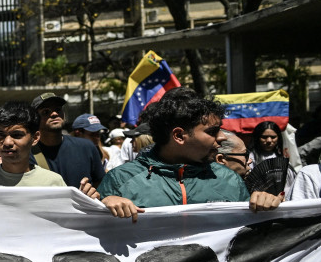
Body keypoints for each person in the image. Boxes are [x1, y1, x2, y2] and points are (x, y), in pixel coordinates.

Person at [99, 88, 281, 227]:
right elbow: (92, 240)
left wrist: (266, 209)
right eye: (212, 131)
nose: (222, 137)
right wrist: (102, 206)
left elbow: (251, 239)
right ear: (179, 136)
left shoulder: (229, 179)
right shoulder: (120, 181)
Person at [0, 103, 66, 188]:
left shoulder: (54, 183)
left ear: (35, 138)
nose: (7, 142)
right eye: (1, 135)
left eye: (17, 135)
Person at [31, 93, 105, 189]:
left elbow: (101, 184)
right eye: (46, 112)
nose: (54, 114)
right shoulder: (27, 154)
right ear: (35, 119)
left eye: (58, 109)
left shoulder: (86, 147)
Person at [245, 121, 293, 196]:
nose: (269, 141)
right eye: (264, 137)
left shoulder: (283, 157)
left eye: (273, 137)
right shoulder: (251, 158)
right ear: (257, 138)